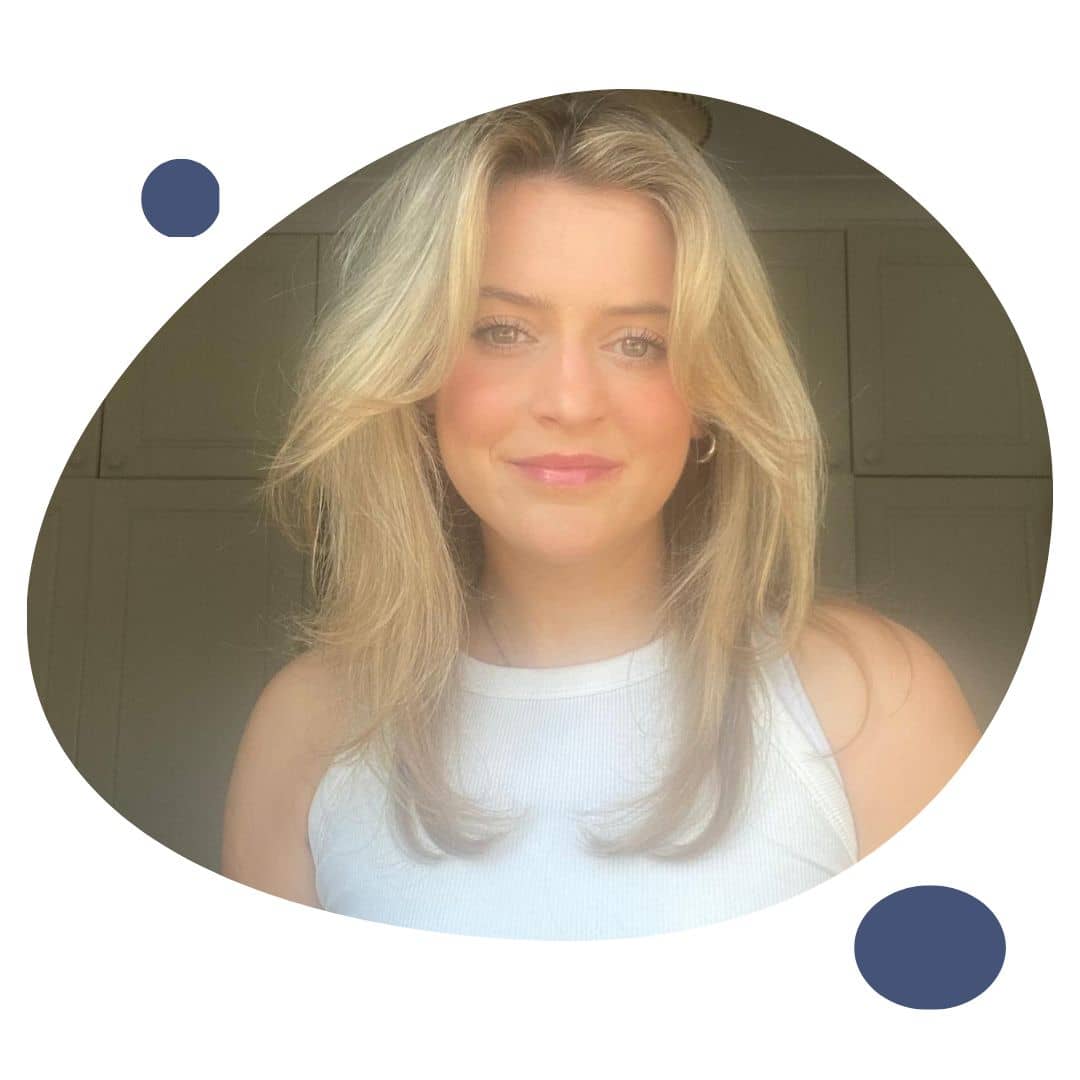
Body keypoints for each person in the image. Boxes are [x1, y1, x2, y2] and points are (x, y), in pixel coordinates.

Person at [220, 92, 981, 939]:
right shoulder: (309, 727)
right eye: (503, 330)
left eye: (638, 343)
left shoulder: (872, 701)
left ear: (709, 397)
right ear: (417, 371)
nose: (572, 401)